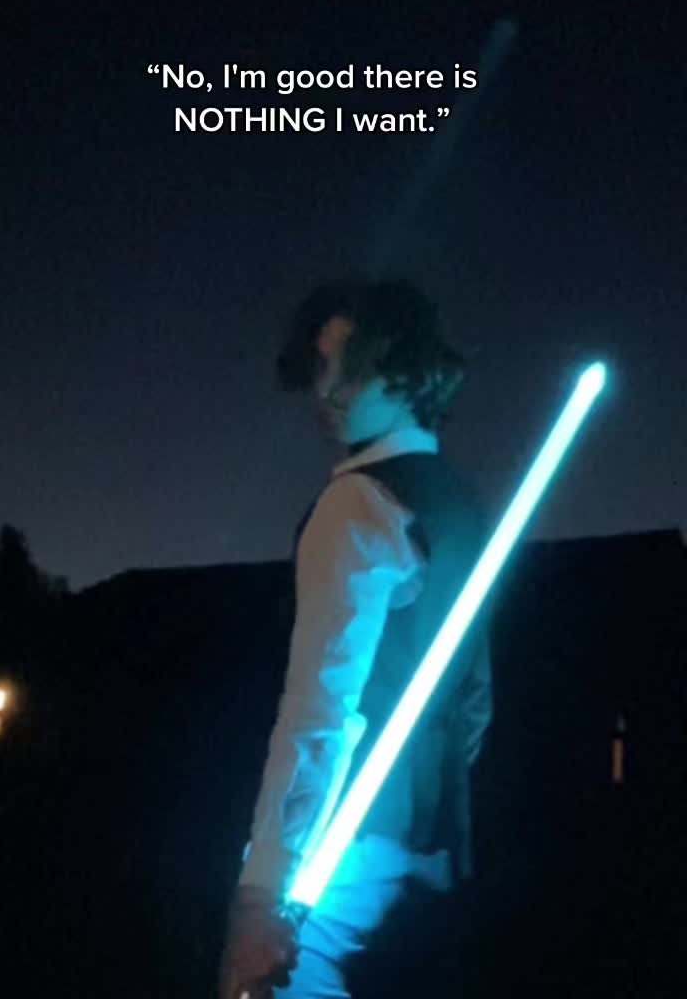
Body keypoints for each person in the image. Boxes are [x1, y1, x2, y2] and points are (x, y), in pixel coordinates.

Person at [218, 278, 493, 999]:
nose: (327, 389)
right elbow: (473, 701)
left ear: (406, 373)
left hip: (337, 861)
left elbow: (320, 708)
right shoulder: (460, 506)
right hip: (433, 859)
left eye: (352, 367)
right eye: (321, 366)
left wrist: (262, 892)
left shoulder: (357, 502)